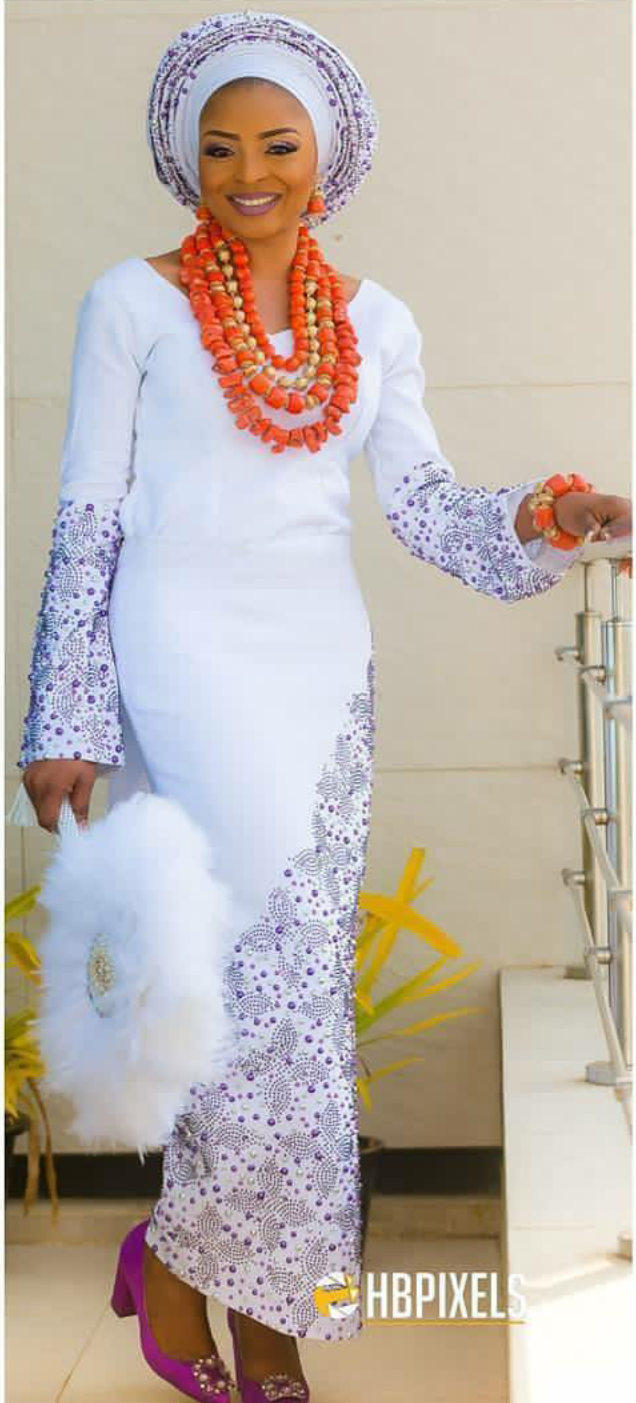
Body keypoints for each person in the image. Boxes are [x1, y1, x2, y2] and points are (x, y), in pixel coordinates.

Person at [15, 10, 632, 1403]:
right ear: (186, 160)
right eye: (222, 147)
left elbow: (426, 507)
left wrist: (553, 517)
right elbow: (89, 516)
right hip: (177, 664)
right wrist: (66, 717)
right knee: (228, 981)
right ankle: (244, 1307)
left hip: (317, 674)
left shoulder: (377, 322)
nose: (251, 172)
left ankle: (200, 1268)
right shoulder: (131, 304)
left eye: (279, 145)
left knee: (295, 997)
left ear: (327, 156)